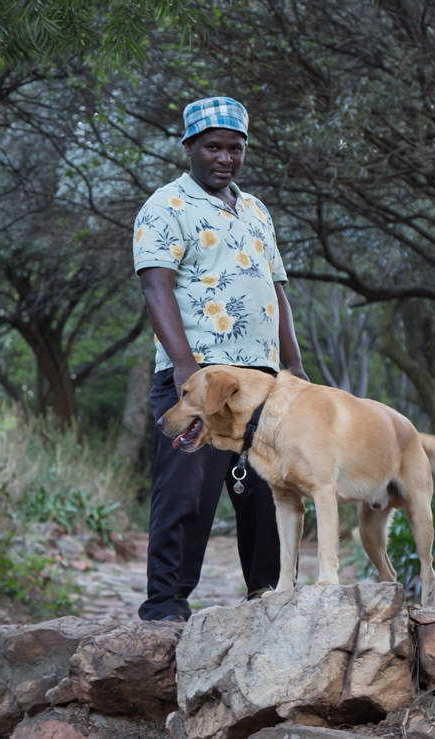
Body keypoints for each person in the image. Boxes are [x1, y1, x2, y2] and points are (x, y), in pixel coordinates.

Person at [132, 96, 308, 622]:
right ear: (189, 147)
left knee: (266, 491)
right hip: (198, 382)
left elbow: (276, 292)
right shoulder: (166, 206)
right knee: (187, 494)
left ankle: (269, 601)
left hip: (260, 385)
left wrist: (292, 367)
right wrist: (186, 365)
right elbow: (156, 286)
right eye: (213, 147)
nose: (225, 158)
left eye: (235, 148)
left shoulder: (255, 210)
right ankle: (165, 605)